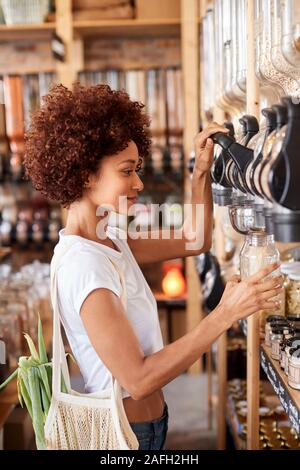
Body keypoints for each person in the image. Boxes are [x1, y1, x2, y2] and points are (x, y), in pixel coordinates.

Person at [24, 83, 283, 450]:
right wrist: (225, 314)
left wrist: (200, 173)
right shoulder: (85, 266)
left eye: (137, 169)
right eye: (126, 171)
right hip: (127, 437)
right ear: (84, 174)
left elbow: (194, 240)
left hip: (148, 425)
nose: (138, 182)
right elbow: (138, 380)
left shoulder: (107, 237)